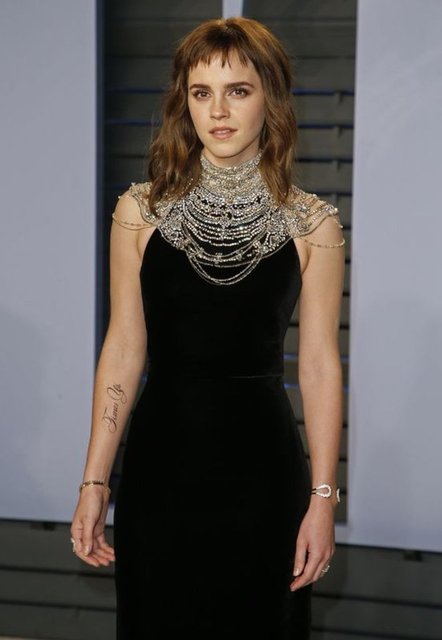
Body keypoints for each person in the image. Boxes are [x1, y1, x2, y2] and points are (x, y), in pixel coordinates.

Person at [70, 16, 345, 640]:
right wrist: (94, 481)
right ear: (184, 102)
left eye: (237, 90)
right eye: (201, 92)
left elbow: (319, 365)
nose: (217, 110)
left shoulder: (314, 225)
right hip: (160, 471)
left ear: (270, 98)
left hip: (264, 477)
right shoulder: (139, 211)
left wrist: (323, 499)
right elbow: (123, 349)